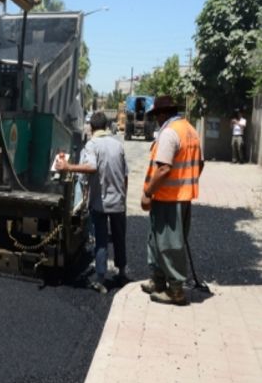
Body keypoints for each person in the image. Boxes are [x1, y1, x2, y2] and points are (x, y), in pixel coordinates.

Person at [55, 111, 128, 294]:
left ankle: (101, 280)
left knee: (101, 240)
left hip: (100, 202)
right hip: (118, 201)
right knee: (119, 237)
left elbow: (91, 167)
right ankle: (122, 273)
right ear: (106, 126)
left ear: (93, 128)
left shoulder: (92, 145)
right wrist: (123, 196)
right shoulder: (118, 145)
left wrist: (67, 167)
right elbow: (125, 175)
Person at [140, 95, 204, 306]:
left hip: (169, 198)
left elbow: (164, 168)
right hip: (182, 196)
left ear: (163, 114)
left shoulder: (169, 133)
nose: (156, 119)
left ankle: (175, 290)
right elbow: (199, 164)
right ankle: (158, 281)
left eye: (157, 115)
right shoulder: (190, 130)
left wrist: (148, 192)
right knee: (157, 240)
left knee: (169, 243)